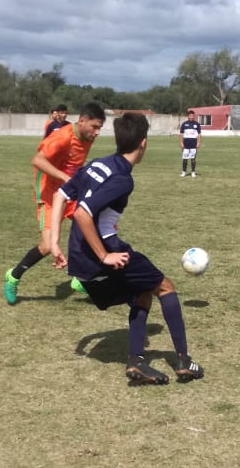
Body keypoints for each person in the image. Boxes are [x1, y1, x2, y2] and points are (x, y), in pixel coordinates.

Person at [50, 111, 204, 386]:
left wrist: (53, 243)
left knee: (142, 290)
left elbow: (59, 195)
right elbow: (82, 213)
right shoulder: (122, 178)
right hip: (102, 253)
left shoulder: (98, 163)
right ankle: (184, 361)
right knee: (165, 287)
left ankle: (136, 362)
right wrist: (104, 255)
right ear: (143, 143)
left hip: (79, 258)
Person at [3, 102, 106, 304]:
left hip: (70, 194)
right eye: (94, 127)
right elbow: (37, 160)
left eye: (100, 128)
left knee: (92, 228)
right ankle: (13, 276)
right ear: (82, 121)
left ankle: (81, 279)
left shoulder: (87, 137)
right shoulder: (62, 137)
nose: (97, 132)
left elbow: (74, 165)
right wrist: (65, 178)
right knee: (47, 246)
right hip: (49, 195)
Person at [178, 109, 202, 177]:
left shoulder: (197, 124)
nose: (191, 117)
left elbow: (199, 134)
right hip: (185, 144)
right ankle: (183, 172)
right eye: (190, 115)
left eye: (192, 115)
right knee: (184, 159)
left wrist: (198, 142)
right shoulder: (184, 124)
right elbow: (181, 134)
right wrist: (181, 142)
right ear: (188, 116)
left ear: (194, 116)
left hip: (193, 144)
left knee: (193, 159)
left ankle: (193, 172)